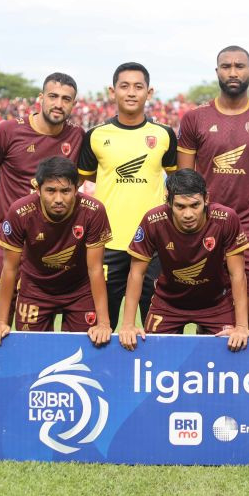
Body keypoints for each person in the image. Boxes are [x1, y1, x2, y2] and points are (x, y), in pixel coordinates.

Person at [177, 46, 249, 330]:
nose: (233, 72)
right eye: (226, 66)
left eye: (240, 66)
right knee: (210, 311)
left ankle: (246, 373)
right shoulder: (194, 119)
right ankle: (209, 372)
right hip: (207, 224)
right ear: (217, 72)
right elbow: (184, 179)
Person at [0, 73, 85, 325]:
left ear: (73, 104)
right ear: (41, 98)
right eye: (53, 96)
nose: (59, 104)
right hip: (6, 240)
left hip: (51, 247)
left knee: (39, 324)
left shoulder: (78, 137)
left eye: (66, 99)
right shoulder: (7, 131)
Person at [77, 62, 177, 329]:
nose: (131, 92)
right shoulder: (96, 136)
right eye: (124, 86)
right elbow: (84, 178)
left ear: (149, 92)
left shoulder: (164, 135)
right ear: (112, 91)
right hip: (108, 242)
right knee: (102, 325)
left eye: (138, 86)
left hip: (154, 245)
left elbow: (179, 181)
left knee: (156, 326)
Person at [0, 157, 112, 346]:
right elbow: (10, 268)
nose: (58, 199)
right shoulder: (20, 212)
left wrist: (103, 323)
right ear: (38, 189)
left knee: (84, 349)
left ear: (76, 189)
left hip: (79, 290)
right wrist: (1, 321)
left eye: (66, 191)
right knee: (33, 351)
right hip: (35, 289)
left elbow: (95, 269)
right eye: (51, 191)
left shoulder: (94, 211)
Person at [118, 169, 249, 351]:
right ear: (169, 202)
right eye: (180, 206)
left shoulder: (227, 219)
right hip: (168, 303)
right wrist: (127, 324)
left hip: (216, 303)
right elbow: (136, 273)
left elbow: (238, 274)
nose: (188, 214)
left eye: (195, 205)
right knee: (154, 355)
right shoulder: (153, 220)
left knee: (226, 354)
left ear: (206, 199)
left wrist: (242, 327)